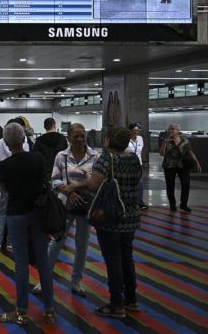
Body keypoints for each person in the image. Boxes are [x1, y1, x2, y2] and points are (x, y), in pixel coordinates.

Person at [79, 126, 143, 318]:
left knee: (113, 260)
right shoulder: (133, 159)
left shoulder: (106, 159)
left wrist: (80, 181)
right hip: (130, 217)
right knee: (126, 257)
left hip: (110, 218)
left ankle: (116, 304)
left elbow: (93, 185)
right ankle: (131, 299)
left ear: (108, 140)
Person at [0, 122, 55, 326]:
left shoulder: (4, 167)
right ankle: (49, 310)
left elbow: (5, 190)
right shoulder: (37, 158)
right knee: (43, 262)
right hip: (37, 214)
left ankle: (21, 311)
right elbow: (43, 180)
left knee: (21, 263)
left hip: (16, 214)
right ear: (23, 139)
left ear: (6, 142)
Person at [33, 123, 98, 297]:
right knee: (56, 242)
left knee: (82, 245)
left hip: (85, 206)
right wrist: (67, 193)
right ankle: (43, 280)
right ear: (68, 137)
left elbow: (97, 181)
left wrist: (75, 187)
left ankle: (76, 282)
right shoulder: (61, 156)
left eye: (82, 135)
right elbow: (54, 180)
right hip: (64, 205)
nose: (79, 139)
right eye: (76, 136)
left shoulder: (94, 156)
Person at [0, 117, 30, 250]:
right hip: (19, 179)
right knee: (16, 210)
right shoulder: (24, 144)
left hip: (2, 178)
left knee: (1, 210)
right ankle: (11, 241)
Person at [159, 123, 201, 212]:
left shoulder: (184, 140)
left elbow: (190, 152)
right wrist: (165, 142)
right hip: (169, 166)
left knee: (186, 184)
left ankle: (184, 204)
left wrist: (197, 163)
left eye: (173, 129)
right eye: (169, 129)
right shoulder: (166, 140)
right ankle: (172, 204)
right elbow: (162, 153)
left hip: (183, 165)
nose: (171, 130)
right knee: (170, 186)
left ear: (178, 131)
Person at [126, 123, 148, 210]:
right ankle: (128, 202)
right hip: (127, 164)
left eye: (138, 130)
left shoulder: (140, 139)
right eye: (134, 130)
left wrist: (145, 161)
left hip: (138, 165)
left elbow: (142, 151)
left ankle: (140, 202)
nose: (136, 132)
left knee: (140, 184)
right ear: (130, 131)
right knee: (128, 183)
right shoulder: (125, 139)